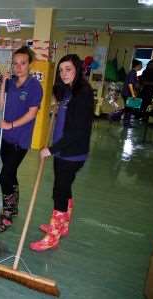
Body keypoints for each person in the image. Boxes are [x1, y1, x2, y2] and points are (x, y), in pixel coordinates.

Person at [30, 54, 94, 251]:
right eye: (61, 70)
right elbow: (58, 93)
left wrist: (51, 149)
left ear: (77, 69)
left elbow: (77, 131)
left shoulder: (82, 94)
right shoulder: (68, 91)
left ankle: (53, 236)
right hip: (64, 151)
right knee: (65, 188)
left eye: (68, 69)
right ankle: (62, 225)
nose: (64, 74)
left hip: (71, 153)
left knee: (59, 190)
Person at [0, 46, 43, 232]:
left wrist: (11, 125)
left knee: (5, 176)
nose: (18, 67)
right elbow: (1, 107)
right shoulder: (11, 83)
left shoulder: (34, 86)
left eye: (23, 63)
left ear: (29, 64)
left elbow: (32, 114)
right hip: (5, 138)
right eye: (15, 64)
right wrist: (3, 86)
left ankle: (7, 214)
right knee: (11, 174)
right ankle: (13, 208)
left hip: (20, 140)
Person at [121, 59, 142, 125]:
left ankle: (126, 122)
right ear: (137, 65)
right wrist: (133, 94)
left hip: (126, 93)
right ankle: (125, 122)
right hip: (127, 93)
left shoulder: (132, 72)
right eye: (141, 65)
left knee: (128, 108)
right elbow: (130, 84)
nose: (141, 67)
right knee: (129, 108)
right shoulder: (133, 72)